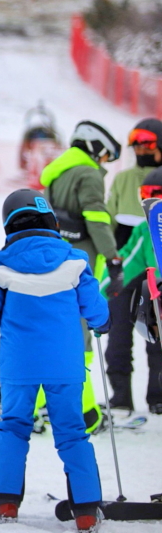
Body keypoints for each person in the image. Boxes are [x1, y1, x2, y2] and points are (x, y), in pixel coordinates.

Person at [0, 189, 109, 533]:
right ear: (52, 222)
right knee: (73, 432)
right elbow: (98, 312)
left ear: (9, 225)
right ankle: (87, 512)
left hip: (19, 367)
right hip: (65, 366)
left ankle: (6, 503)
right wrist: (102, 325)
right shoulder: (75, 261)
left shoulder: (1, 266)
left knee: (13, 427)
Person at [39, 120, 122, 433]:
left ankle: (30, 407)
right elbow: (97, 217)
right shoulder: (87, 172)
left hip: (54, 258)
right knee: (80, 331)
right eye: (104, 156)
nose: (103, 163)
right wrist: (112, 255)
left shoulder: (57, 170)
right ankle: (83, 410)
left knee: (50, 329)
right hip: (82, 262)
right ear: (94, 147)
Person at [105, 119, 162, 413]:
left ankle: (158, 397)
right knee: (118, 334)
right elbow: (109, 221)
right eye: (137, 143)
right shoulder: (124, 178)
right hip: (126, 265)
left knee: (158, 336)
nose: (141, 149)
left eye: (148, 143)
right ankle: (120, 398)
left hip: (156, 269)